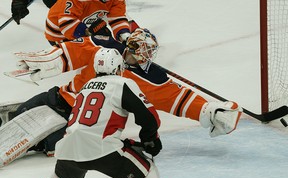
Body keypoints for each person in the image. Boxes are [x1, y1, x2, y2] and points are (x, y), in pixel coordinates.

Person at [2, 27, 241, 158]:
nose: (146, 55)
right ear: (132, 46)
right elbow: (70, 53)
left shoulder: (152, 79)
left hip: (81, 122)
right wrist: (48, 62)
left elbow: (177, 98)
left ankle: (43, 142)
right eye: (143, 49)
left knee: (49, 145)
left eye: (150, 51)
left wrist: (209, 110)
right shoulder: (103, 46)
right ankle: (19, 116)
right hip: (60, 97)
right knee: (19, 116)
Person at [26, 47, 165, 178]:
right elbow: (149, 118)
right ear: (118, 67)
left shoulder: (86, 86)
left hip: (68, 146)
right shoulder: (122, 84)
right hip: (102, 147)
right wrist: (150, 140)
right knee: (148, 175)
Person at [44, 0, 130, 45]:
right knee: (101, 51)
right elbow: (66, 23)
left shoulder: (117, 1)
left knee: (105, 35)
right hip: (59, 36)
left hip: (83, 25)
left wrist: (124, 35)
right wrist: (90, 37)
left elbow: (117, 18)